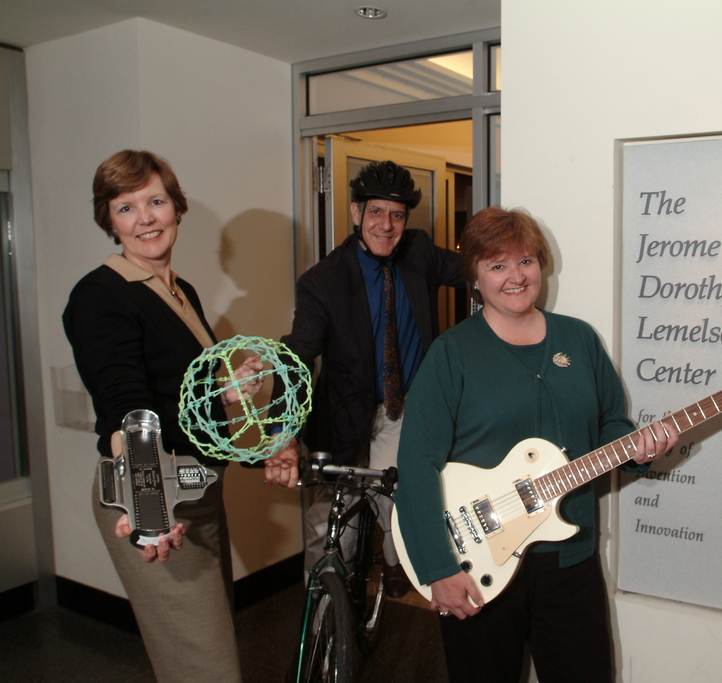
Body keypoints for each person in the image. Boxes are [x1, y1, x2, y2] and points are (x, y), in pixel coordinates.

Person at [394, 206, 679, 683]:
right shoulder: (453, 353)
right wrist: (437, 568)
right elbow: (417, 464)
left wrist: (638, 450)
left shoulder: (580, 339)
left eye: (526, 261)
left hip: (570, 560)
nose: (515, 276)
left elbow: (612, 422)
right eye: (497, 265)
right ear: (476, 278)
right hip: (478, 569)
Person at [63, 150, 265, 683]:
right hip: (154, 497)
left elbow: (179, 395)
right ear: (109, 220)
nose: (145, 218)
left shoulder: (180, 291)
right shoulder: (99, 297)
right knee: (205, 666)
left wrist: (227, 389)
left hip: (199, 490)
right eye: (126, 207)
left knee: (206, 645)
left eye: (155, 201)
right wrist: (147, 505)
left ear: (176, 208)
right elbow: (126, 406)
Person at [263, 160, 464, 597]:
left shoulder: (420, 252)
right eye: (376, 212)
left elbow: (476, 271)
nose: (386, 226)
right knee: (333, 529)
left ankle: (396, 565)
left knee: (406, 505)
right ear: (356, 213)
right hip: (343, 415)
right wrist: (282, 434)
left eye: (396, 215)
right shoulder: (323, 281)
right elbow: (297, 356)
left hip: (402, 410)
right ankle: (323, 622)